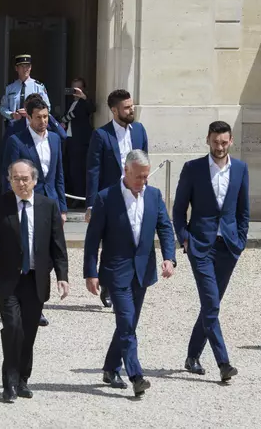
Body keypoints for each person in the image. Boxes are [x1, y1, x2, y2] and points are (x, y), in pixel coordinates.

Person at [0, 159, 69, 403]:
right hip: (7, 279)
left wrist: (62, 276)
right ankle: (9, 382)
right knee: (13, 328)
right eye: (15, 179)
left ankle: (23, 379)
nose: (21, 183)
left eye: (25, 179)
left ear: (34, 181)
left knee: (28, 331)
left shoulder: (48, 206)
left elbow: (58, 245)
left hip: (35, 279)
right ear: (9, 181)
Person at [84, 150, 176, 397]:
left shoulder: (154, 196)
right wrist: (90, 272)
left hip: (143, 270)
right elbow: (92, 239)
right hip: (116, 270)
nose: (143, 181)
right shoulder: (106, 198)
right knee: (126, 322)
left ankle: (110, 368)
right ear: (126, 171)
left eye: (146, 176)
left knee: (129, 323)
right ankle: (136, 376)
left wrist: (169, 258)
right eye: (138, 177)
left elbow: (165, 228)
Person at [172, 121, 248, 382]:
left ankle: (192, 356)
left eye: (224, 142)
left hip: (228, 247)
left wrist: (240, 241)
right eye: (215, 142)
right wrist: (185, 239)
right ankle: (223, 362)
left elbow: (243, 211)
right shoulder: (192, 169)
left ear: (231, 141)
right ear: (207, 140)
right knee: (212, 303)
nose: (219, 146)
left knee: (210, 305)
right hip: (200, 247)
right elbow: (178, 210)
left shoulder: (240, 169)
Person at [2, 96, 67, 328]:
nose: (43, 121)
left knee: (47, 257)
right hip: (26, 204)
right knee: (27, 255)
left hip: (50, 205)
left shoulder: (55, 139)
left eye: (46, 116)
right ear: (28, 117)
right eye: (38, 117)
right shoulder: (16, 141)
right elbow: (8, 176)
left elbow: (58, 175)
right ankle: (25, 304)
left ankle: (34, 302)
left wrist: (62, 207)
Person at [85, 89, 148, 308]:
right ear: (114, 110)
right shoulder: (101, 135)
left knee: (132, 239)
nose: (131, 110)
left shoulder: (139, 130)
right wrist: (91, 204)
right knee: (110, 243)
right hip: (111, 196)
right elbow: (93, 171)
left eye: (132, 106)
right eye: (127, 107)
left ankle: (129, 282)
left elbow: (145, 161)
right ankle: (108, 284)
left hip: (135, 194)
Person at [60, 78, 94, 207]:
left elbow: (92, 108)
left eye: (78, 88)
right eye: (73, 88)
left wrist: (84, 97)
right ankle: (73, 196)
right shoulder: (70, 103)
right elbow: (67, 117)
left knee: (78, 170)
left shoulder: (84, 102)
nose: (75, 91)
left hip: (80, 141)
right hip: (69, 139)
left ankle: (79, 198)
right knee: (70, 169)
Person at [0, 55, 51, 125]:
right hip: (14, 125)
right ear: (16, 68)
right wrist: (12, 115)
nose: (25, 69)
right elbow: (3, 108)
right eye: (22, 66)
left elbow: (47, 107)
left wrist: (31, 112)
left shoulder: (38, 87)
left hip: (33, 125)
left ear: (30, 67)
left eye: (27, 66)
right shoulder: (10, 88)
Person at [3, 93, 67, 142]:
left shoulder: (47, 125)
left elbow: (63, 136)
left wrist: (47, 114)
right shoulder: (14, 126)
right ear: (25, 108)